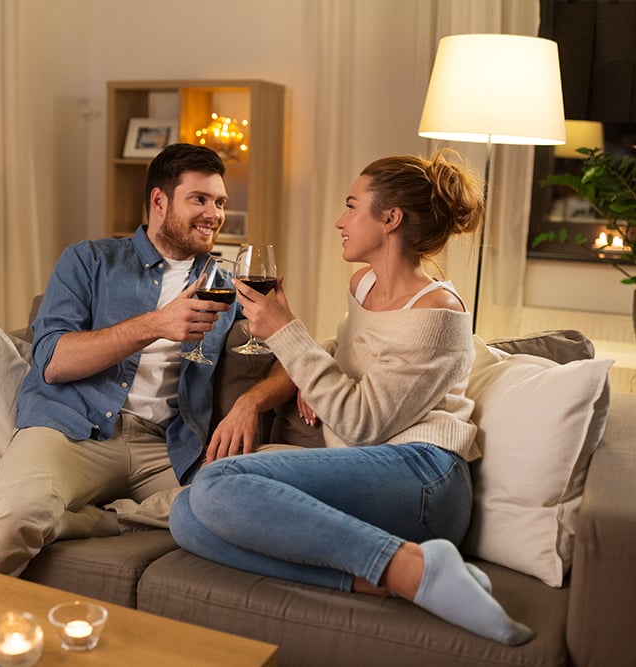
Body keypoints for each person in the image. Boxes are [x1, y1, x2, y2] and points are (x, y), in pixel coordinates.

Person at [169, 150, 535, 645]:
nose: (340, 221)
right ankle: (396, 581)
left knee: (215, 483)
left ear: (390, 218)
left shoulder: (439, 314)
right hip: (374, 469)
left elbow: (363, 423)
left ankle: (412, 567)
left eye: (351, 206)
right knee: (187, 517)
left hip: (425, 477)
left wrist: (286, 333)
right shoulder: (363, 284)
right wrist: (312, 366)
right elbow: (351, 358)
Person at [0, 143, 241, 579]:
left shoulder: (224, 283)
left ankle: (101, 521)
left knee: (241, 499)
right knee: (11, 517)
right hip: (72, 430)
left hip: (166, 447)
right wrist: (155, 324)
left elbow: (281, 349)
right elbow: (52, 362)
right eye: (199, 199)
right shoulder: (89, 260)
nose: (213, 214)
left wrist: (252, 404)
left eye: (219, 202)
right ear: (159, 201)